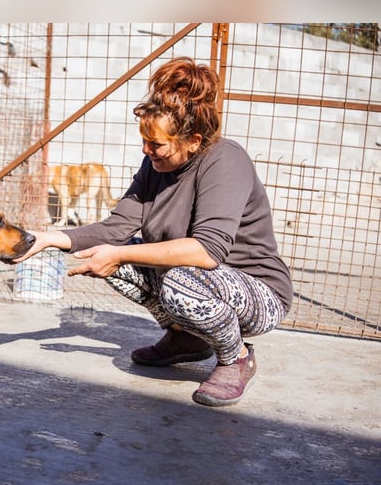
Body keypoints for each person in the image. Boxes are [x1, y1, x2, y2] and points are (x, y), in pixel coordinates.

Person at [15, 57, 294, 407]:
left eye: (157, 144)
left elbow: (206, 251)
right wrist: (53, 238)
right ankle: (185, 339)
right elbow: (117, 227)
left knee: (173, 276)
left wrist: (118, 252)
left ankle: (236, 357)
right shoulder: (154, 165)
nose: (146, 151)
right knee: (110, 258)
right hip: (200, 279)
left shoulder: (225, 160)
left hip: (257, 291)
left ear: (193, 140)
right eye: (145, 142)